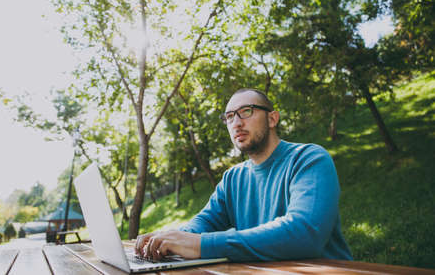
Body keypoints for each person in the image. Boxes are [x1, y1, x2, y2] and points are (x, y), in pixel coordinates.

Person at [135, 88, 352, 262]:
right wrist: (169, 238)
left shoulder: (308, 158)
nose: (236, 123)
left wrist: (200, 245)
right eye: (229, 117)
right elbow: (205, 222)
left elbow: (305, 233)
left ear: (272, 119)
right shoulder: (233, 178)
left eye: (246, 111)